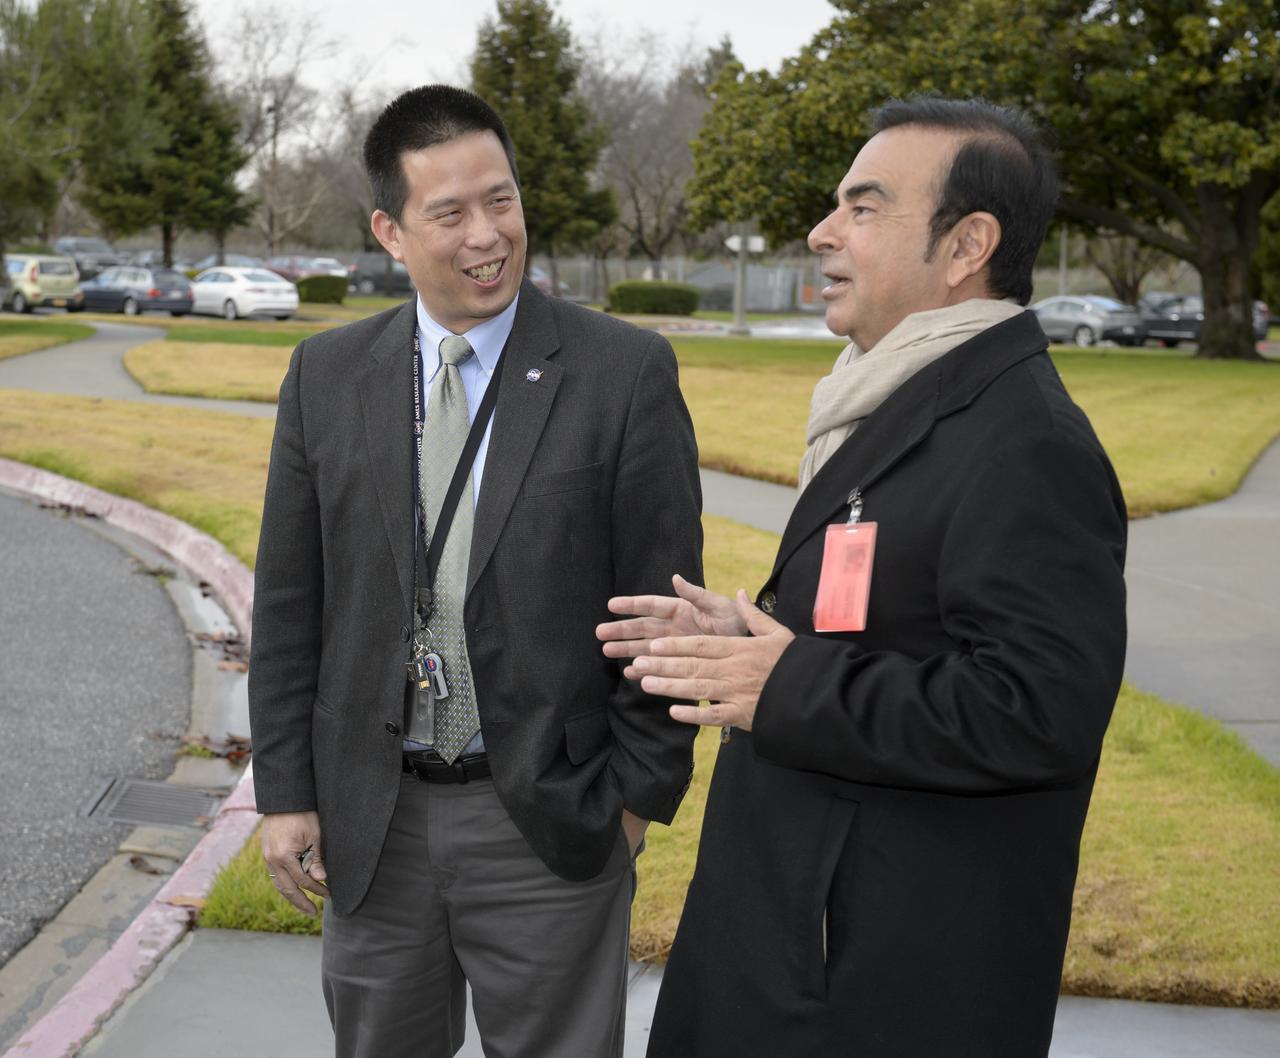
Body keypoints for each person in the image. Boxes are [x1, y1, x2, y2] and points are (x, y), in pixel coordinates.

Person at [597, 97, 1127, 1057]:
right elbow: (887, 618)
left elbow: (1039, 710)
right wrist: (747, 641)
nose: (823, 231)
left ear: (968, 244)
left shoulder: (1025, 442)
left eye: (865, 207)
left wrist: (784, 683)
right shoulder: (897, 397)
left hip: (884, 984)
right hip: (802, 942)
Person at [248, 84, 702, 1058]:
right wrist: (286, 792)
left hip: (545, 821)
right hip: (373, 823)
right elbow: (291, 602)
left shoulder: (622, 373)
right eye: (449, 212)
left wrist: (629, 804)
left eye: (500, 200)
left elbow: (661, 609)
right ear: (391, 229)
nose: (486, 234)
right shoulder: (324, 375)